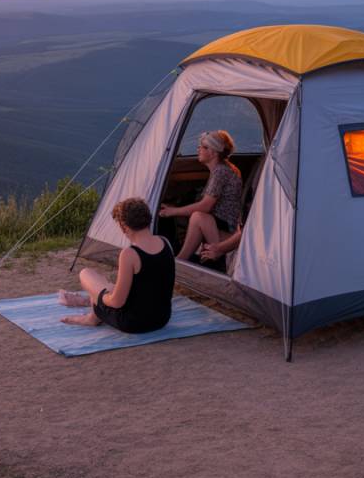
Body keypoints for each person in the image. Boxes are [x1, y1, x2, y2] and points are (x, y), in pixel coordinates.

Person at [59, 197, 175, 333]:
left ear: (123, 226)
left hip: (133, 323)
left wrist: (99, 296)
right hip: (161, 318)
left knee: (86, 274)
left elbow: (117, 302)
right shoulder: (166, 242)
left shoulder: (130, 254)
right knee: (110, 287)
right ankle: (92, 308)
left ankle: (91, 318)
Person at [159, 130, 242, 266]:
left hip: (226, 229)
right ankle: (181, 260)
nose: (199, 149)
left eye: (204, 147)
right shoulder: (222, 169)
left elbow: (206, 206)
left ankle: (180, 262)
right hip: (219, 223)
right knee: (194, 215)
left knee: (198, 216)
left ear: (214, 152)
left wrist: (172, 211)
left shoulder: (221, 172)